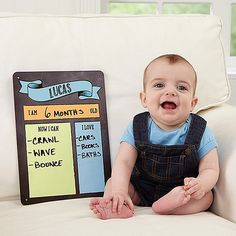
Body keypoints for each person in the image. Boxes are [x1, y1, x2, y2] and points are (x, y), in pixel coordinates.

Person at [89, 54, 219, 220]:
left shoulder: (200, 130)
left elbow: (210, 168)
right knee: (112, 183)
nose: (171, 92)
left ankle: (169, 207)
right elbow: (124, 162)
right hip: (140, 189)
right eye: (159, 85)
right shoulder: (137, 126)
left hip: (180, 192)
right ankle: (120, 206)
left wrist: (200, 184)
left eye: (181, 88)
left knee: (207, 198)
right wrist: (120, 191)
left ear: (193, 103)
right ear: (144, 99)